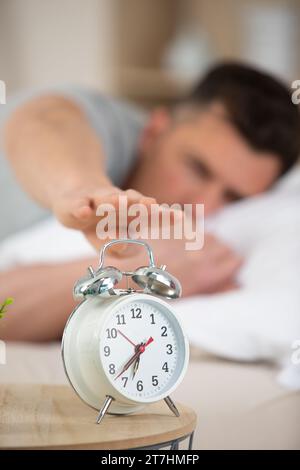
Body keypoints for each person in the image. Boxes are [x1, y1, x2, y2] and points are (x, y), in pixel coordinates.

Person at [0, 62, 299, 340]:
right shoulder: (105, 129)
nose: (204, 207)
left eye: (233, 196)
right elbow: (45, 120)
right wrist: (83, 192)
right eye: (197, 168)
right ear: (155, 130)